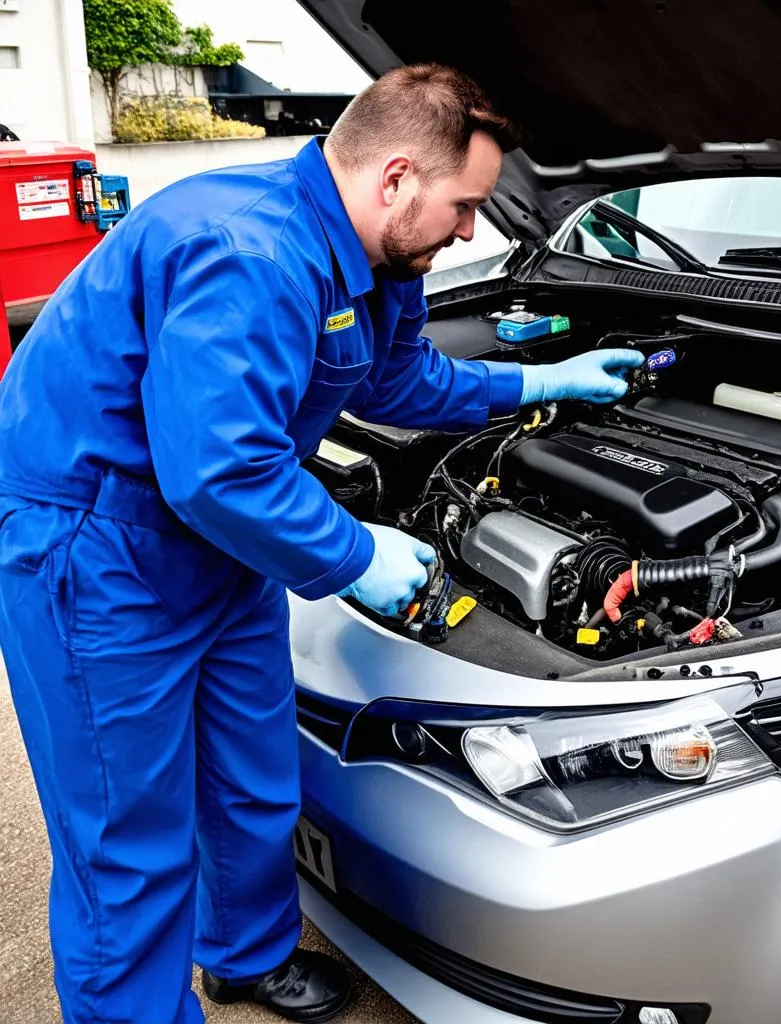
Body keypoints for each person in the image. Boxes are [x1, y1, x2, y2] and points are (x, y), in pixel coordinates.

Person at [0, 64, 643, 1023]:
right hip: (100, 547)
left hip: (223, 538)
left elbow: (401, 383)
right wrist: (354, 553)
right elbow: (216, 473)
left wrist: (543, 383)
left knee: (251, 773)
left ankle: (247, 955)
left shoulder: (379, 257)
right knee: (127, 843)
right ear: (395, 179)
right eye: (464, 206)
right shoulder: (250, 254)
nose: (471, 230)